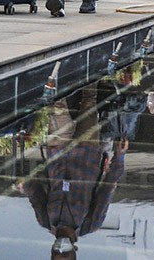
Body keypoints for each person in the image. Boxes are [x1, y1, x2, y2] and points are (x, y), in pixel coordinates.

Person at [23, 87, 127, 259]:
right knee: (89, 101)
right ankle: (90, 67)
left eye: (57, 252)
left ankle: (57, 71)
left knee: (57, 107)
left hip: (57, 153)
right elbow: (107, 189)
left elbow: (34, 192)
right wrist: (119, 157)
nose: (60, 249)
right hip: (88, 153)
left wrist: (23, 185)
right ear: (74, 250)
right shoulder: (90, 224)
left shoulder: (45, 221)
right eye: (66, 254)